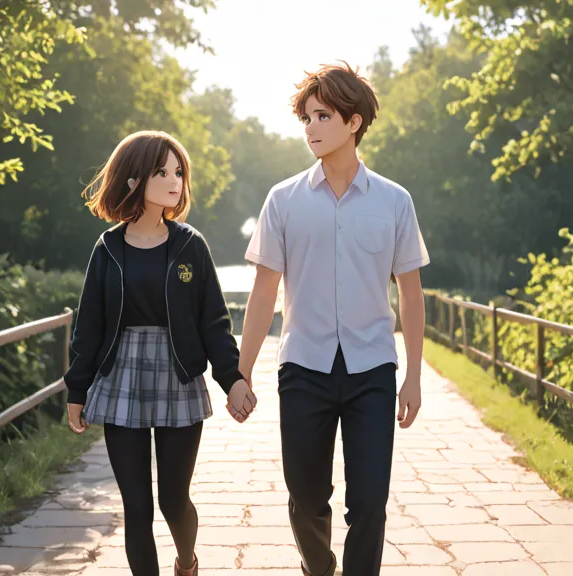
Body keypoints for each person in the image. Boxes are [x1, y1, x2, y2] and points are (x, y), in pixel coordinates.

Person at [238, 62, 429, 576]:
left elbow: (411, 295)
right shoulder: (283, 201)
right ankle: (318, 568)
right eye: (306, 117)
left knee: (368, 501)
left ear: (354, 122)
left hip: (372, 370)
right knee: (306, 498)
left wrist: (412, 376)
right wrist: (242, 372)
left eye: (323, 116)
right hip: (303, 367)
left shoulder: (394, 202)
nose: (311, 128)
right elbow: (264, 293)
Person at [62, 130, 258, 576]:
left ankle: (186, 560)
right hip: (121, 376)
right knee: (136, 505)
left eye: (178, 172)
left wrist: (234, 379)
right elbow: (88, 326)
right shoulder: (107, 249)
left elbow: (214, 322)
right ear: (133, 179)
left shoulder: (191, 245)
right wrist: (77, 389)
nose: (175, 181)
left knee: (172, 498)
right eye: (162, 172)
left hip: (178, 373)